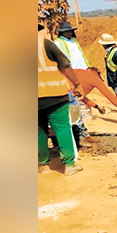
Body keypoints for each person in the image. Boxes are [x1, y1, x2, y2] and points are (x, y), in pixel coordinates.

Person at [38, 23, 84, 175]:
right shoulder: (46, 44)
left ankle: (43, 165)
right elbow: (64, 65)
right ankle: (69, 165)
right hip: (56, 95)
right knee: (62, 128)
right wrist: (77, 84)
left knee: (39, 131)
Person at [52, 21, 98, 147]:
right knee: (74, 105)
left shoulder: (74, 41)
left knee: (77, 105)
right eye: (66, 31)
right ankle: (81, 135)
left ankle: (81, 134)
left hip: (80, 73)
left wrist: (87, 68)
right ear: (61, 32)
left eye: (70, 30)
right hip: (71, 76)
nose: (69, 32)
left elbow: (81, 56)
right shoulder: (58, 43)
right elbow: (63, 62)